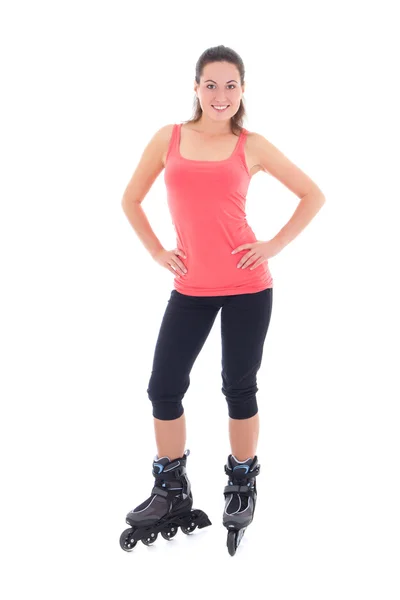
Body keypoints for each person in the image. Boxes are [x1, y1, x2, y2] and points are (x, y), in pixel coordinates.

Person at [119, 45, 326, 555]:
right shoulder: (167, 138)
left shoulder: (250, 145)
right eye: (210, 84)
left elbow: (312, 194)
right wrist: (157, 252)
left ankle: (241, 481)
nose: (220, 95)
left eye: (230, 85)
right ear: (195, 87)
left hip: (247, 288)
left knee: (238, 386)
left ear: (242, 90)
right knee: (163, 388)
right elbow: (130, 198)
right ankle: (171, 489)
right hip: (190, 288)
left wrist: (272, 246)